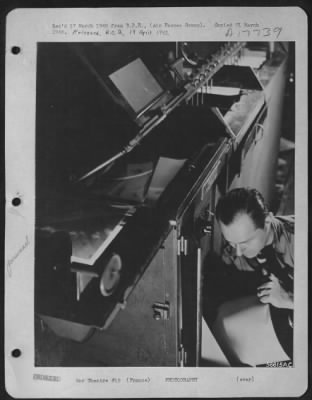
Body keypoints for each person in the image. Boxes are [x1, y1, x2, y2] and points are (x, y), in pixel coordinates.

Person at [209, 188, 294, 366]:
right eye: (232, 243)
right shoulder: (243, 248)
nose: (238, 251)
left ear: (268, 221)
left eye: (245, 243)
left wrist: (288, 299)